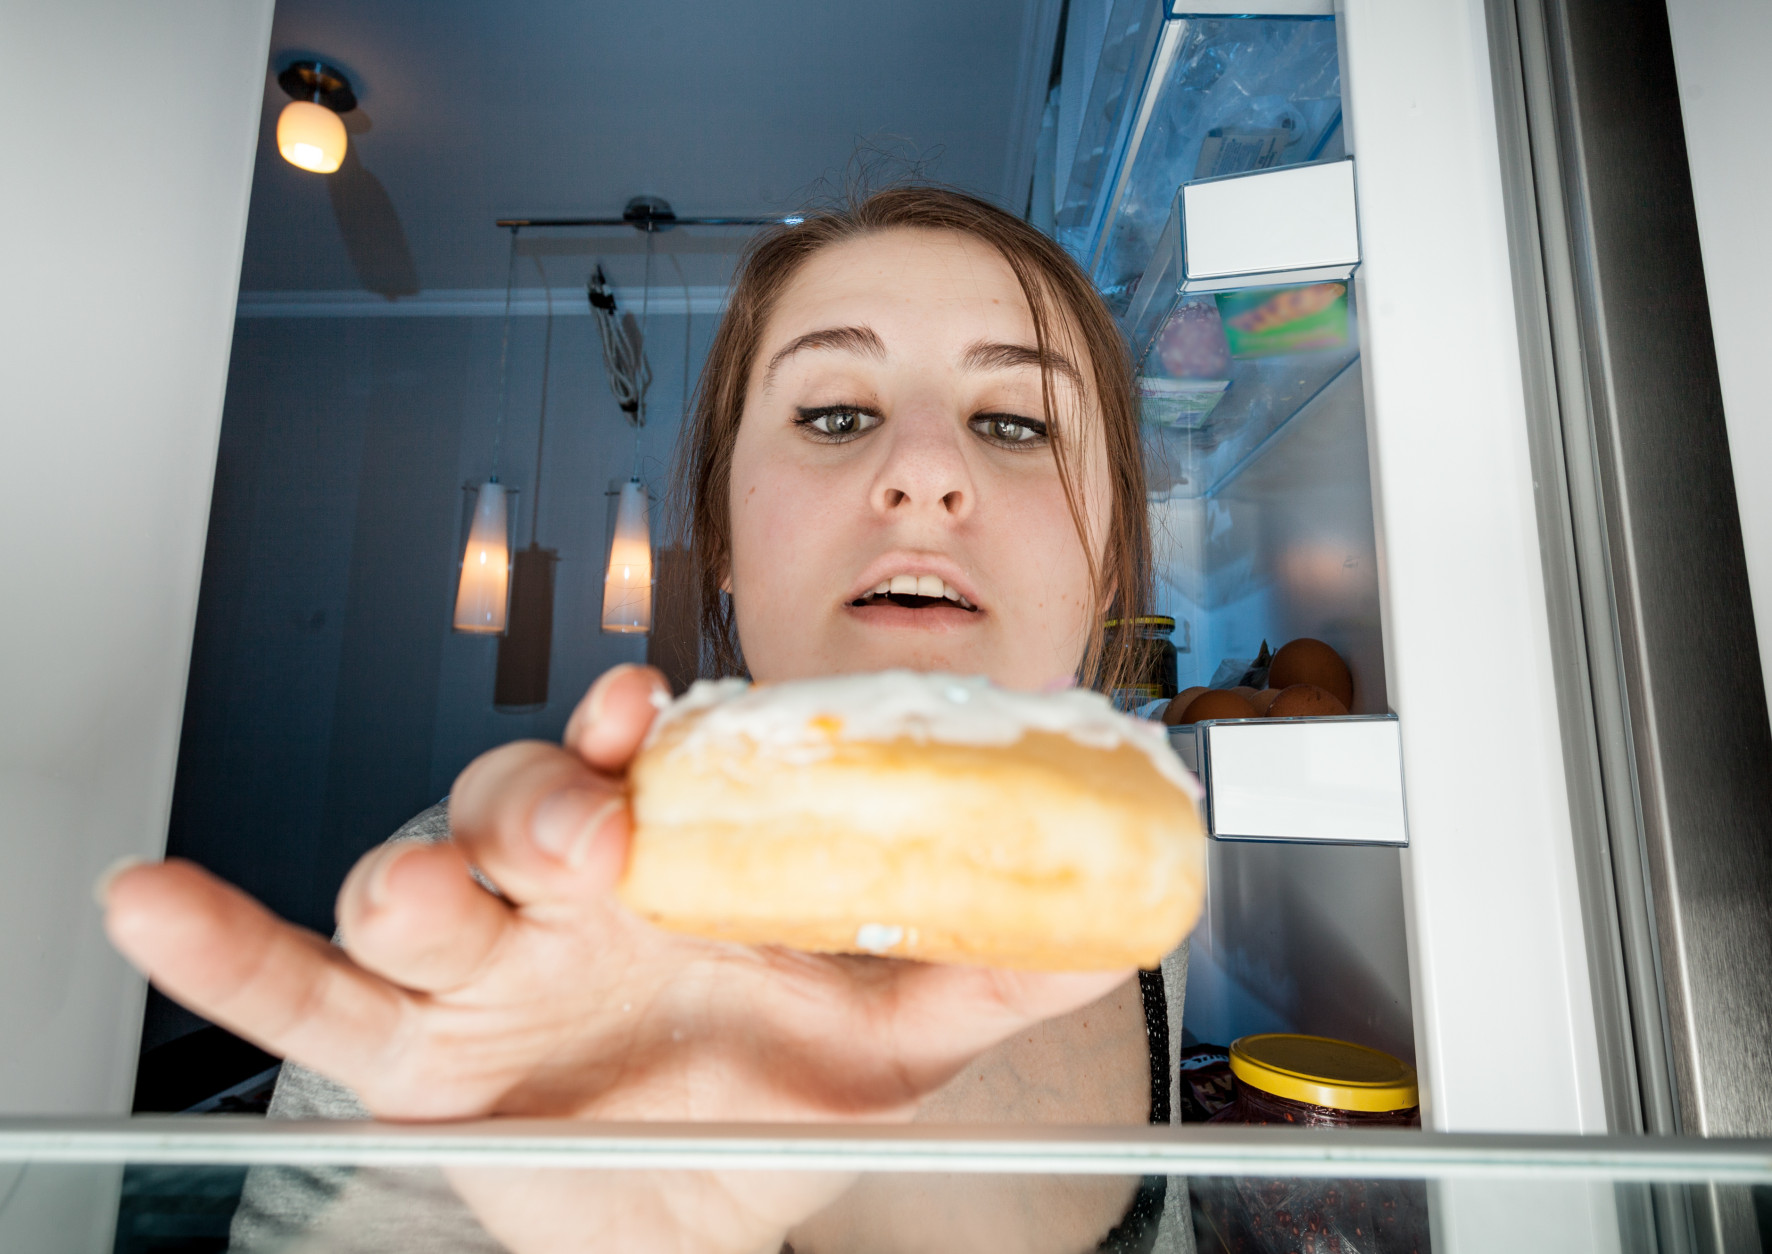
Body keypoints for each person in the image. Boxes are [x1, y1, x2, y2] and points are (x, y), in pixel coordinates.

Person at [102, 186, 1193, 1253]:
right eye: (834, 414)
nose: (919, 472)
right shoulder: (484, 917)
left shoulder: (1142, 901)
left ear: (1110, 557)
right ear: (718, 533)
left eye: (1013, 421)